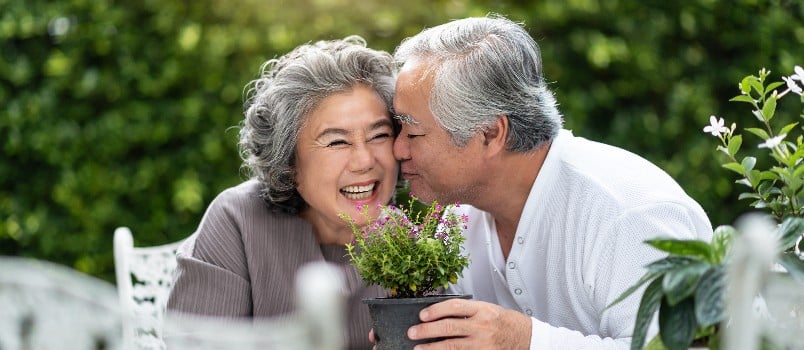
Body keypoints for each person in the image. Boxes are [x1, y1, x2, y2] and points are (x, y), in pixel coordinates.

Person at [388, 15, 713, 349]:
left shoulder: (627, 213)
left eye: (413, 132)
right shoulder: (460, 220)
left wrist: (526, 341)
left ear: (490, 133)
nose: (397, 149)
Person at [166, 35, 398, 349]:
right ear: (288, 162)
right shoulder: (238, 220)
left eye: (379, 135)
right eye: (337, 141)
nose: (365, 160)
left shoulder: (417, 236)